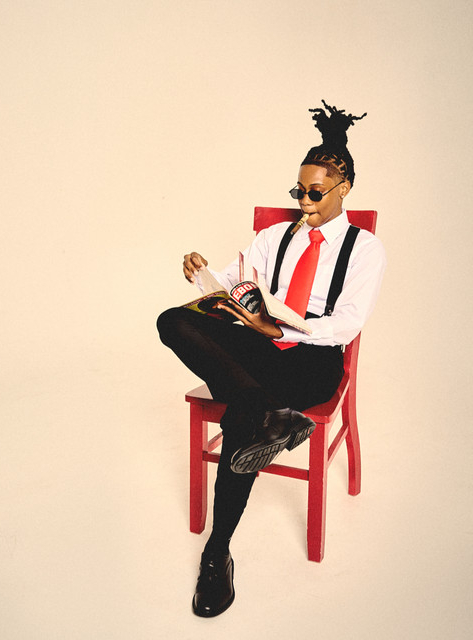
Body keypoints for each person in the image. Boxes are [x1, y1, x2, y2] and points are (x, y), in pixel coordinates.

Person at [156, 101, 386, 618]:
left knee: (242, 417)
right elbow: (230, 280)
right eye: (297, 191)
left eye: (314, 192)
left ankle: (217, 554)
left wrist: (282, 327)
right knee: (173, 320)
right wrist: (200, 272)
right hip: (260, 353)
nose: (303, 201)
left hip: (312, 360)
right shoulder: (273, 237)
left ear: (344, 189)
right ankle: (267, 412)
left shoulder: (364, 248)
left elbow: (349, 323)